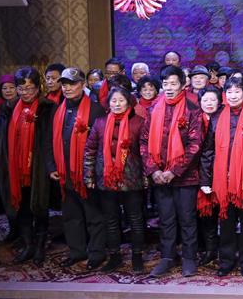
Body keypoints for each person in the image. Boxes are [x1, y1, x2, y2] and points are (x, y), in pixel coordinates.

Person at [141, 65, 204, 277]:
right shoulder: (153, 110)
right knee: (166, 219)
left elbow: (195, 145)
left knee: (187, 219)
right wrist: (153, 170)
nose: (168, 88)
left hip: (185, 177)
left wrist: (174, 171)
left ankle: (189, 257)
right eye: (165, 84)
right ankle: (167, 257)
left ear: (183, 84)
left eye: (173, 84)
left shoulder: (192, 109)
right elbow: (143, 142)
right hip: (159, 177)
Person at [200, 77, 243, 277]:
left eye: (237, 91)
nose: (233, 95)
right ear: (224, 95)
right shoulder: (217, 117)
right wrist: (205, 179)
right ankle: (226, 260)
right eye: (229, 92)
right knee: (225, 222)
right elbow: (208, 151)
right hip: (223, 177)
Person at [0, 67, 55, 265]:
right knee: (22, 208)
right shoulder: (7, 108)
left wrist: (49, 166)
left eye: (30, 89)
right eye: (22, 89)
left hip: (38, 168)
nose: (26, 93)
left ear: (38, 88)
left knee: (39, 206)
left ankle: (39, 246)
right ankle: (28, 245)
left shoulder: (48, 108)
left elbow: (51, 140)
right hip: (14, 168)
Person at [47, 67, 107, 269]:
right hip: (64, 173)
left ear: (83, 84)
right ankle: (76, 251)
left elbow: (101, 147)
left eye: (72, 83)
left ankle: (97, 253)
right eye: (64, 84)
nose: (67, 88)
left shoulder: (96, 110)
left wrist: (93, 172)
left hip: (87, 174)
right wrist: (52, 166)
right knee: (71, 216)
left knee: (94, 216)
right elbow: (50, 141)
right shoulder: (58, 109)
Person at [83, 86, 148, 273]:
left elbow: (145, 153)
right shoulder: (100, 123)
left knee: (135, 219)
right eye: (113, 101)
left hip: (131, 178)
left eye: (121, 100)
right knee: (110, 220)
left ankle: (137, 257)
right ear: (108, 103)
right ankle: (114, 256)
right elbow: (90, 151)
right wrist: (89, 176)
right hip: (106, 179)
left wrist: (145, 179)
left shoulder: (139, 122)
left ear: (128, 102)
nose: (117, 104)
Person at [196, 88, 222, 267]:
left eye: (213, 100)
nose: (209, 103)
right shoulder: (195, 119)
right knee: (202, 215)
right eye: (205, 100)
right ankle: (207, 248)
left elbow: (209, 153)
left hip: (215, 172)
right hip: (194, 172)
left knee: (215, 212)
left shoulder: (221, 119)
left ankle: (216, 249)